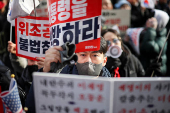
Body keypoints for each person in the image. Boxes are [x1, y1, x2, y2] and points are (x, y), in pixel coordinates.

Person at [25, 37, 111, 113]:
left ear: (104, 61)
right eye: (83, 55)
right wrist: (47, 74)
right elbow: (32, 108)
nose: (88, 60)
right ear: (75, 58)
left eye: (95, 55)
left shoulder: (112, 89)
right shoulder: (59, 81)